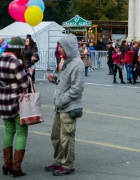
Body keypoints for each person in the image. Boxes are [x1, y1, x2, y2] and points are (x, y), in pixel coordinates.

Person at [44, 34, 85, 176]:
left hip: (69, 107)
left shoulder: (77, 64)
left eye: (61, 46)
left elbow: (77, 89)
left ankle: (67, 165)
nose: (59, 49)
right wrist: (55, 79)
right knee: (56, 136)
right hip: (61, 107)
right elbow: (65, 83)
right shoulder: (67, 61)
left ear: (68, 47)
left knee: (66, 137)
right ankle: (59, 161)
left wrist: (61, 100)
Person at [0, 36, 31, 177]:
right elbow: (24, 84)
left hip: (3, 100)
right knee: (21, 132)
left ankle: (7, 164)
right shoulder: (16, 62)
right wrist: (28, 75)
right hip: (17, 101)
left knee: (8, 131)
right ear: (18, 49)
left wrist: (4, 86)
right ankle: (16, 167)